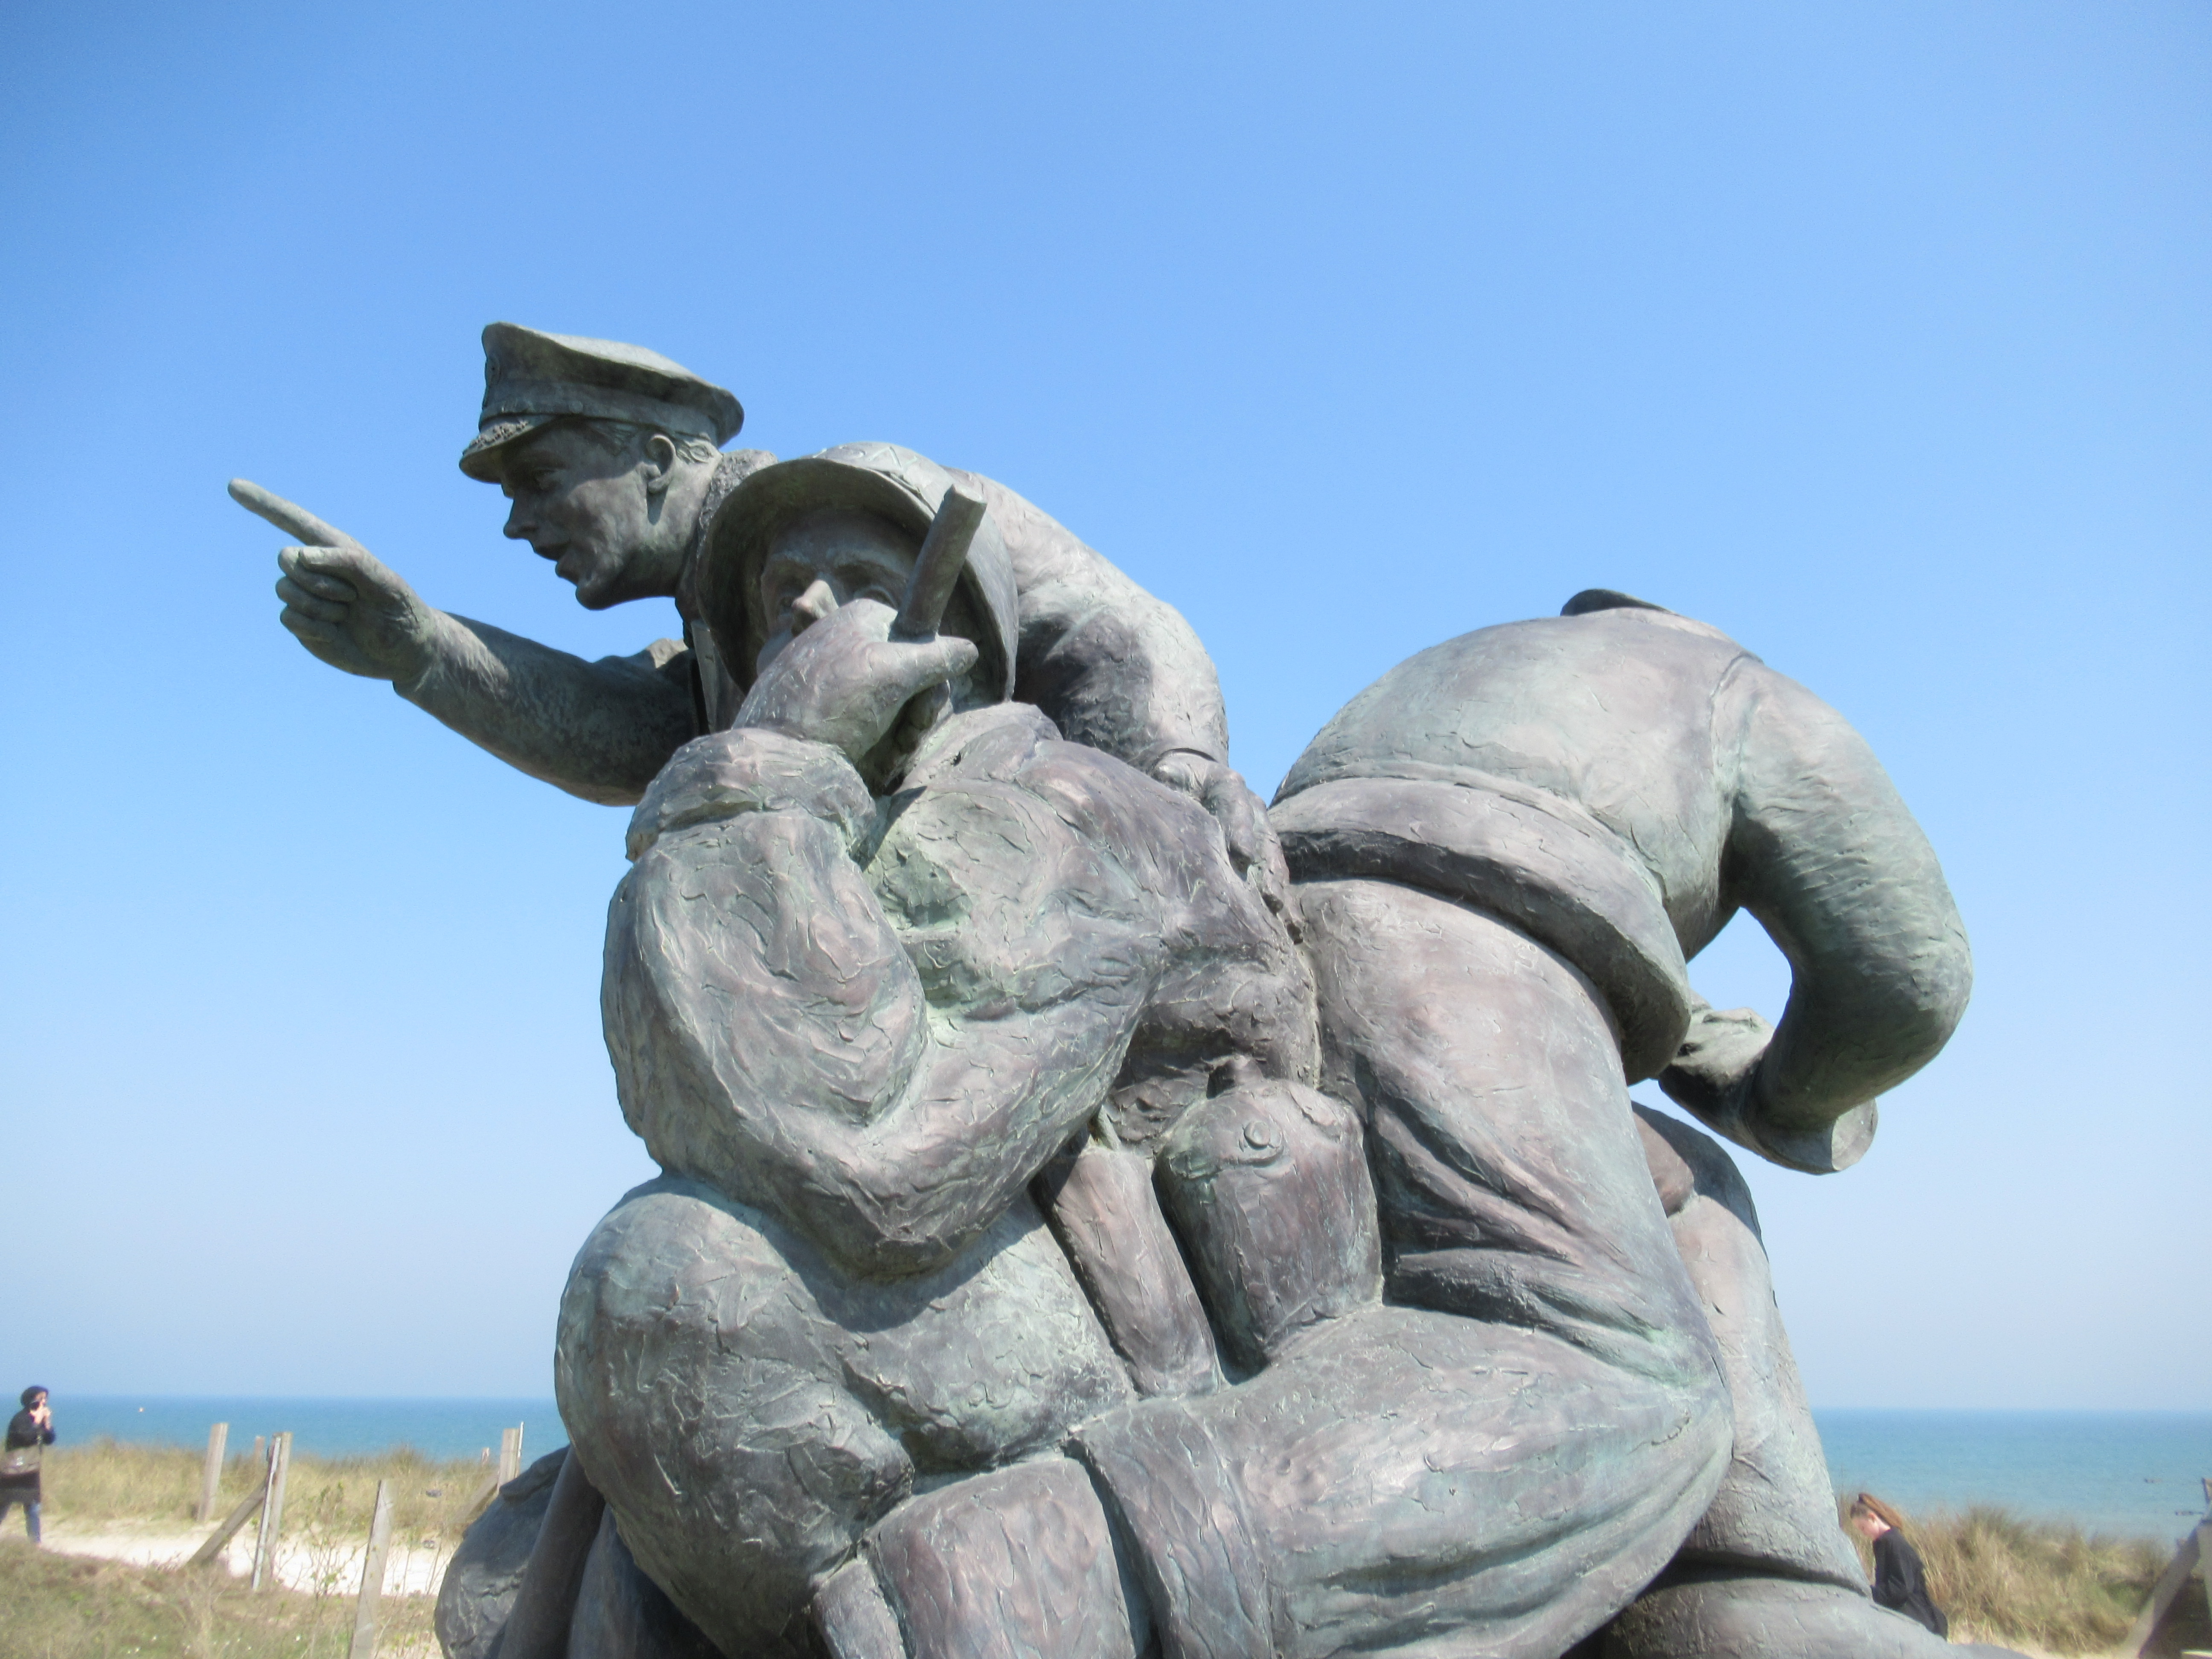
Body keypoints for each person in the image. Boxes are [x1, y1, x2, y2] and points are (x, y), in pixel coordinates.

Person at [259, 325, 1284, 913]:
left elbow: (1118, 629)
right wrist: (423, 649)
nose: (518, 522)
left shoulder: (852, 509)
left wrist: (1179, 781)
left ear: (655, 461)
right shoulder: (719, 605)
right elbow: (638, 730)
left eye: (540, 479)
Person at [1852, 1493, 1950, 1637]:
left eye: (1863, 1528)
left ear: (1872, 1518)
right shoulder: (1886, 1542)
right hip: (1911, 1619)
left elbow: (1901, 1588)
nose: (1863, 1533)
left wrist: (1867, 1592)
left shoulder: (1893, 1543)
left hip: (1918, 1621)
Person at [1, 1387, 54, 1544]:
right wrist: (36, 1422)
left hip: (31, 1470)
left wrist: (46, 1423)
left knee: (33, 1508)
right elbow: (26, 1437)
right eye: (40, 1399)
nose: (44, 1402)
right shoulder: (21, 1418)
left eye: (45, 1399)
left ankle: (34, 1544)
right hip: (14, 1470)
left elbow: (49, 1439)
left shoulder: (39, 1417)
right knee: (4, 1504)